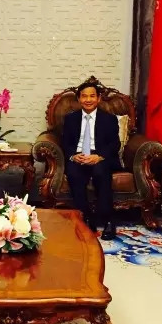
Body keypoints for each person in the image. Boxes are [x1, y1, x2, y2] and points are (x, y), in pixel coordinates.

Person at [62, 80, 121, 240]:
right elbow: (65, 142)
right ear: (79, 99)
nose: (88, 99)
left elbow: (114, 144)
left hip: (99, 156)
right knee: (74, 173)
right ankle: (86, 218)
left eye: (92, 96)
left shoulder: (109, 119)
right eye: (84, 96)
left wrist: (99, 156)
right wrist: (73, 156)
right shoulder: (70, 119)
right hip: (79, 155)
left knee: (101, 172)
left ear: (98, 98)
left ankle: (108, 220)